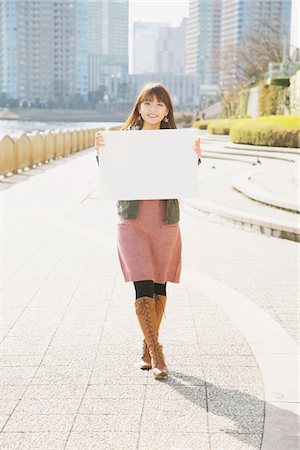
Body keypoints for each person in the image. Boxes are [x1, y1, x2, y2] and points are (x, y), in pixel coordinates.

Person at [95, 82, 201, 380]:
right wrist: (102, 153)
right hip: (132, 221)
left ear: (167, 111)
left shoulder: (176, 140)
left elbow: (187, 177)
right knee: (141, 283)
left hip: (165, 221)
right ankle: (157, 355)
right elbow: (110, 176)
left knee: (158, 286)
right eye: (148, 103)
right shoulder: (123, 139)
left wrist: (195, 157)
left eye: (160, 105)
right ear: (138, 107)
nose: (153, 109)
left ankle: (147, 344)